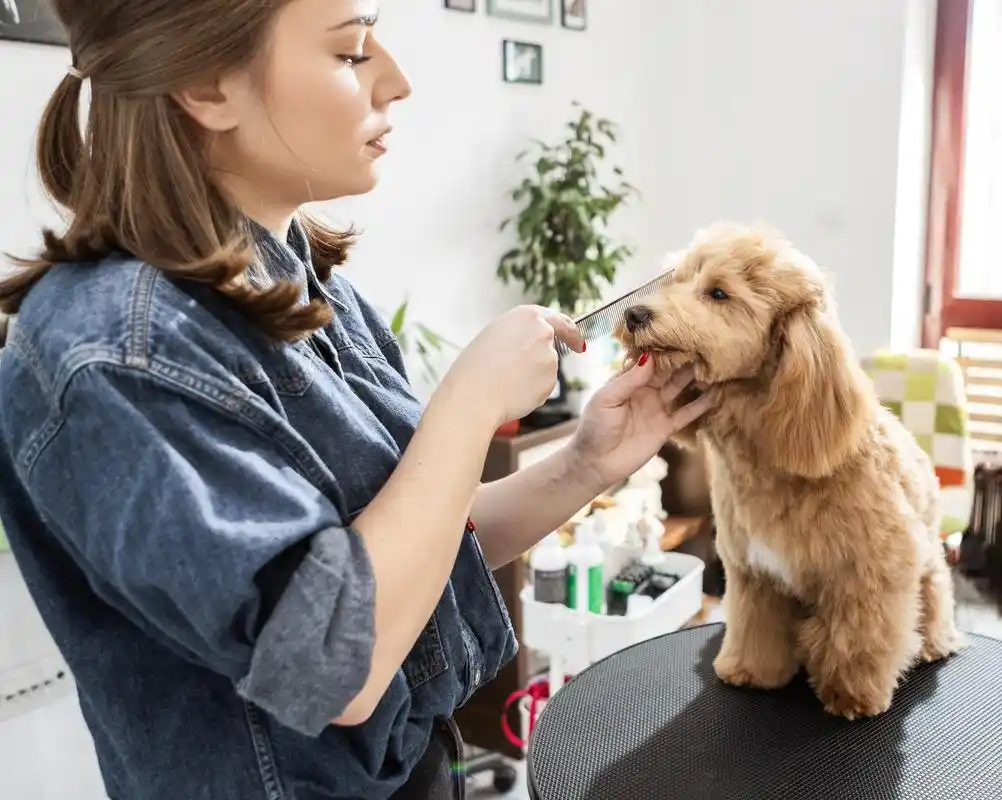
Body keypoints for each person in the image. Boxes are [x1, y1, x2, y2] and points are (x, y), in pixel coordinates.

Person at [0, 1, 711, 798]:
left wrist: (584, 464)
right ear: (207, 85)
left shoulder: (296, 282)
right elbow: (336, 667)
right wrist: (467, 406)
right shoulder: (112, 356)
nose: (398, 82)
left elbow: (420, 539)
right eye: (351, 52)